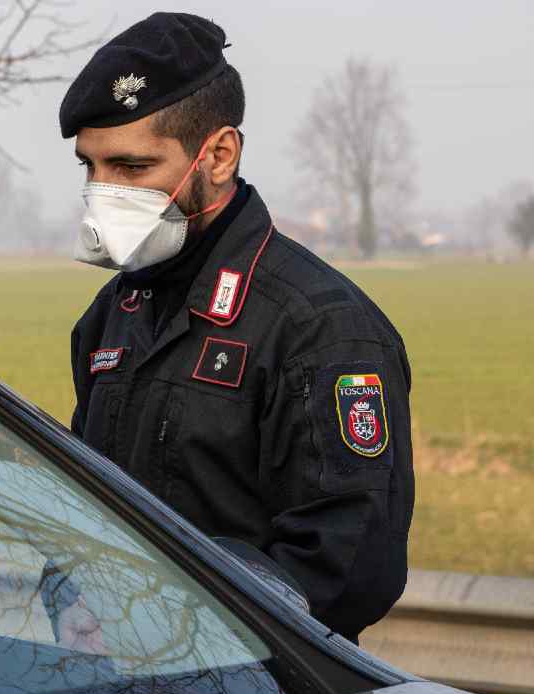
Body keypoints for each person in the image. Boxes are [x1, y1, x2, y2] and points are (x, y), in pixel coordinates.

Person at [55, 12, 414, 644]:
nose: (102, 192)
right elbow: (89, 501)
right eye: (91, 167)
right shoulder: (113, 314)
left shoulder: (322, 329)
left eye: (132, 169)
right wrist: (66, 595)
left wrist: (172, 623)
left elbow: (350, 568)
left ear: (218, 155)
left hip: (257, 690)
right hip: (116, 682)